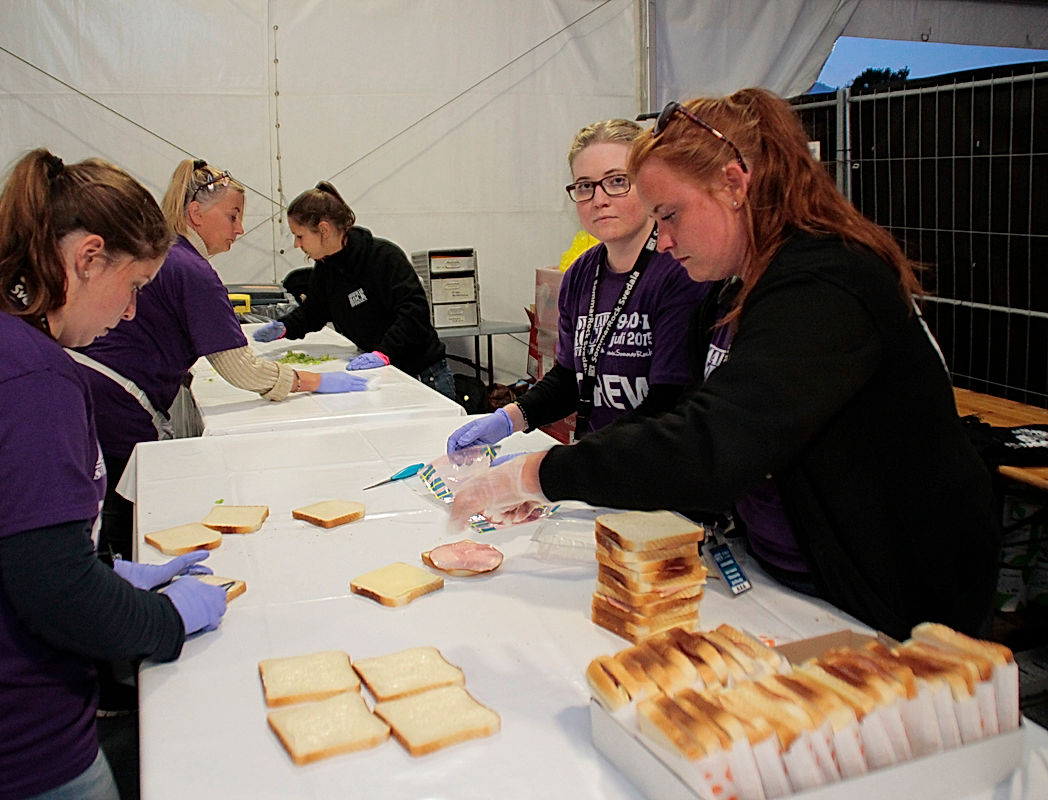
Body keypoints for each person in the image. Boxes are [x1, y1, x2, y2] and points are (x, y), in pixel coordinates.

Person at [448, 89, 1001, 641]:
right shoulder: (733, 287)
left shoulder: (826, 282)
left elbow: (718, 440)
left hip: (889, 594)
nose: (662, 241)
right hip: (783, 573)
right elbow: (691, 420)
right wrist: (559, 480)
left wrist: (537, 474)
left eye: (670, 215)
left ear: (734, 185)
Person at [0, 149, 229, 800]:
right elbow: (54, 591)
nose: (133, 312)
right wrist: (164, 621)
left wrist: (109, 573)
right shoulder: (28, 376)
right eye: (135, 286)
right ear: (88, 258)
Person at [77, 159, 370, 562]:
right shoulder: (191, 270)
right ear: (196, 213)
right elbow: (242, 369)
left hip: (100, 395)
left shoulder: (174, 257)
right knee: (120, 526)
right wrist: (312, 381)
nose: (239, 229)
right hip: (119, 404)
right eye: (233, 216)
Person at [446, 119, 707, 452]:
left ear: (650, 183)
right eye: (585, 186)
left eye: (616, 181)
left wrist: (573, 463)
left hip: (659, 464)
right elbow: (570, 379)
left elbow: (671, 400)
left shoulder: (679, 269)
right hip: (603, 463)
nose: (599, 199)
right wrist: (510, 417)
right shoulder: (581, 274)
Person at [253, 181, 455, 400]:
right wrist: (285, 327)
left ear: (323, 229)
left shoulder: (383, 257)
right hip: (384, 373)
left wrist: (384, 352)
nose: (296, 244)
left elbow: (414, 313)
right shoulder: (325, 267)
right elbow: (314, 312)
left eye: (299, 236)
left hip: (423, 374)